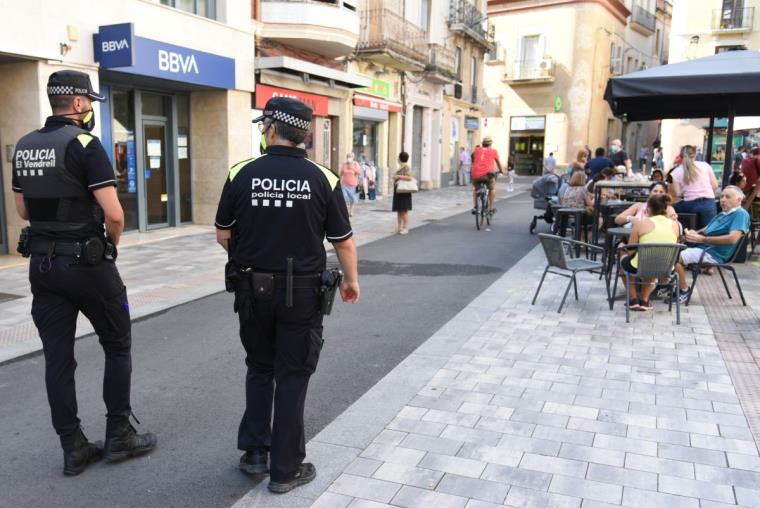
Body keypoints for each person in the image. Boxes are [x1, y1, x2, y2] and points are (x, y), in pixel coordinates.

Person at [11, 70, 156, 476]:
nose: (91, 107)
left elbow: (23, 212)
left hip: (42, 267)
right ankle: (118, 435)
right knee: (117, 342)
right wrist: (111, 245)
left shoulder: (24, 145)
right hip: (88, 265)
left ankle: (73, 446)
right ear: (76, 103)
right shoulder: (86, 144)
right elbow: (114, 213)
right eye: (89, 101)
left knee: (58, 358)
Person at [215, 97, 359, 494]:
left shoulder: (241, 172)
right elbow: (343, 242)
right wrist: (351, 280)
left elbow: (223, 233)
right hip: (302, 294)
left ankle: (255, 453)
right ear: (305, 134)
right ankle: (285, 470)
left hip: (251, 289)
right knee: (293, 376)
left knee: (260, 367)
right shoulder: (323, 178)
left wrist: (250, 258)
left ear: (272, 130)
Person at [670, 186, 751, 303]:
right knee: (668, 251)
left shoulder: (740, 214)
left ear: (739, 200)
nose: (723, 199)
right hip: (704, 248)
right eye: (722, 196)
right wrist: (694, 233)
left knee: (672, 258)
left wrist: (703, 239)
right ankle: (665, 286)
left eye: (728, 197)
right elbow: (706, 228)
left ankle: (683, 290)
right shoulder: (723, 214)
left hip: (713, 253)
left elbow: (732, 239)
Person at [618, 194, 680, 311]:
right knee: (653, 260)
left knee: (623, 256)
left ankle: (633, 300)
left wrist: (624, 248)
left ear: (648, 209)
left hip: (641, 266)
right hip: (666, 267)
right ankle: (645, 301)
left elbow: (631, 250)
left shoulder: (640, 224)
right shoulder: (675, 225)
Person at [670, 145, 719, 229]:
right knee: (709, 231)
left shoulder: (676, 172)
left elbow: (678, 193)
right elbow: (715, 185)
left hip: (689, 205)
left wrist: (686, 191)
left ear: (681, 156)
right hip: (708, 203)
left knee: (670, 208)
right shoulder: (705, 166)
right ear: (695, 155)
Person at [470, 136, 503, 215]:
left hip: (475, 173)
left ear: (483, 144)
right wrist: (501, 171)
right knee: (492, 188)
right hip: (487, 174)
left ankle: (475, 207)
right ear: (490, 144)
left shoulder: (476, 150)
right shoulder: (493, 151)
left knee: (475, 188)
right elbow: (498, 162)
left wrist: (474, 164)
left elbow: (472, 157)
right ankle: (491, 208)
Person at [393, 152, 414, 235]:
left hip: (404, 191)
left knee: (404, 210)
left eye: (398, 157)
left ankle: (405, 227)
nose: (397, 159)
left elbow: (410, 178)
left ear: (400, 158)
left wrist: (399, 177)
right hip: (399, 191)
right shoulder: (400, 167)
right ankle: (399, 227)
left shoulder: (406, 167)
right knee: (399, 210)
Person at [339, 152, 361, 217]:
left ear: (353, 158)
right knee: (345, 198)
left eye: (350, 157)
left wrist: (352, 168)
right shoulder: (344, 164)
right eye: (348, 156)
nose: (349, 158)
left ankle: (351, 212)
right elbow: (341, 173)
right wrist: (339, 181)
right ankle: (346, 211)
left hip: (353, 184)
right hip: (344, 184)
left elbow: (359, 173)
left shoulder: (355, 164)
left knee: (353, 199)